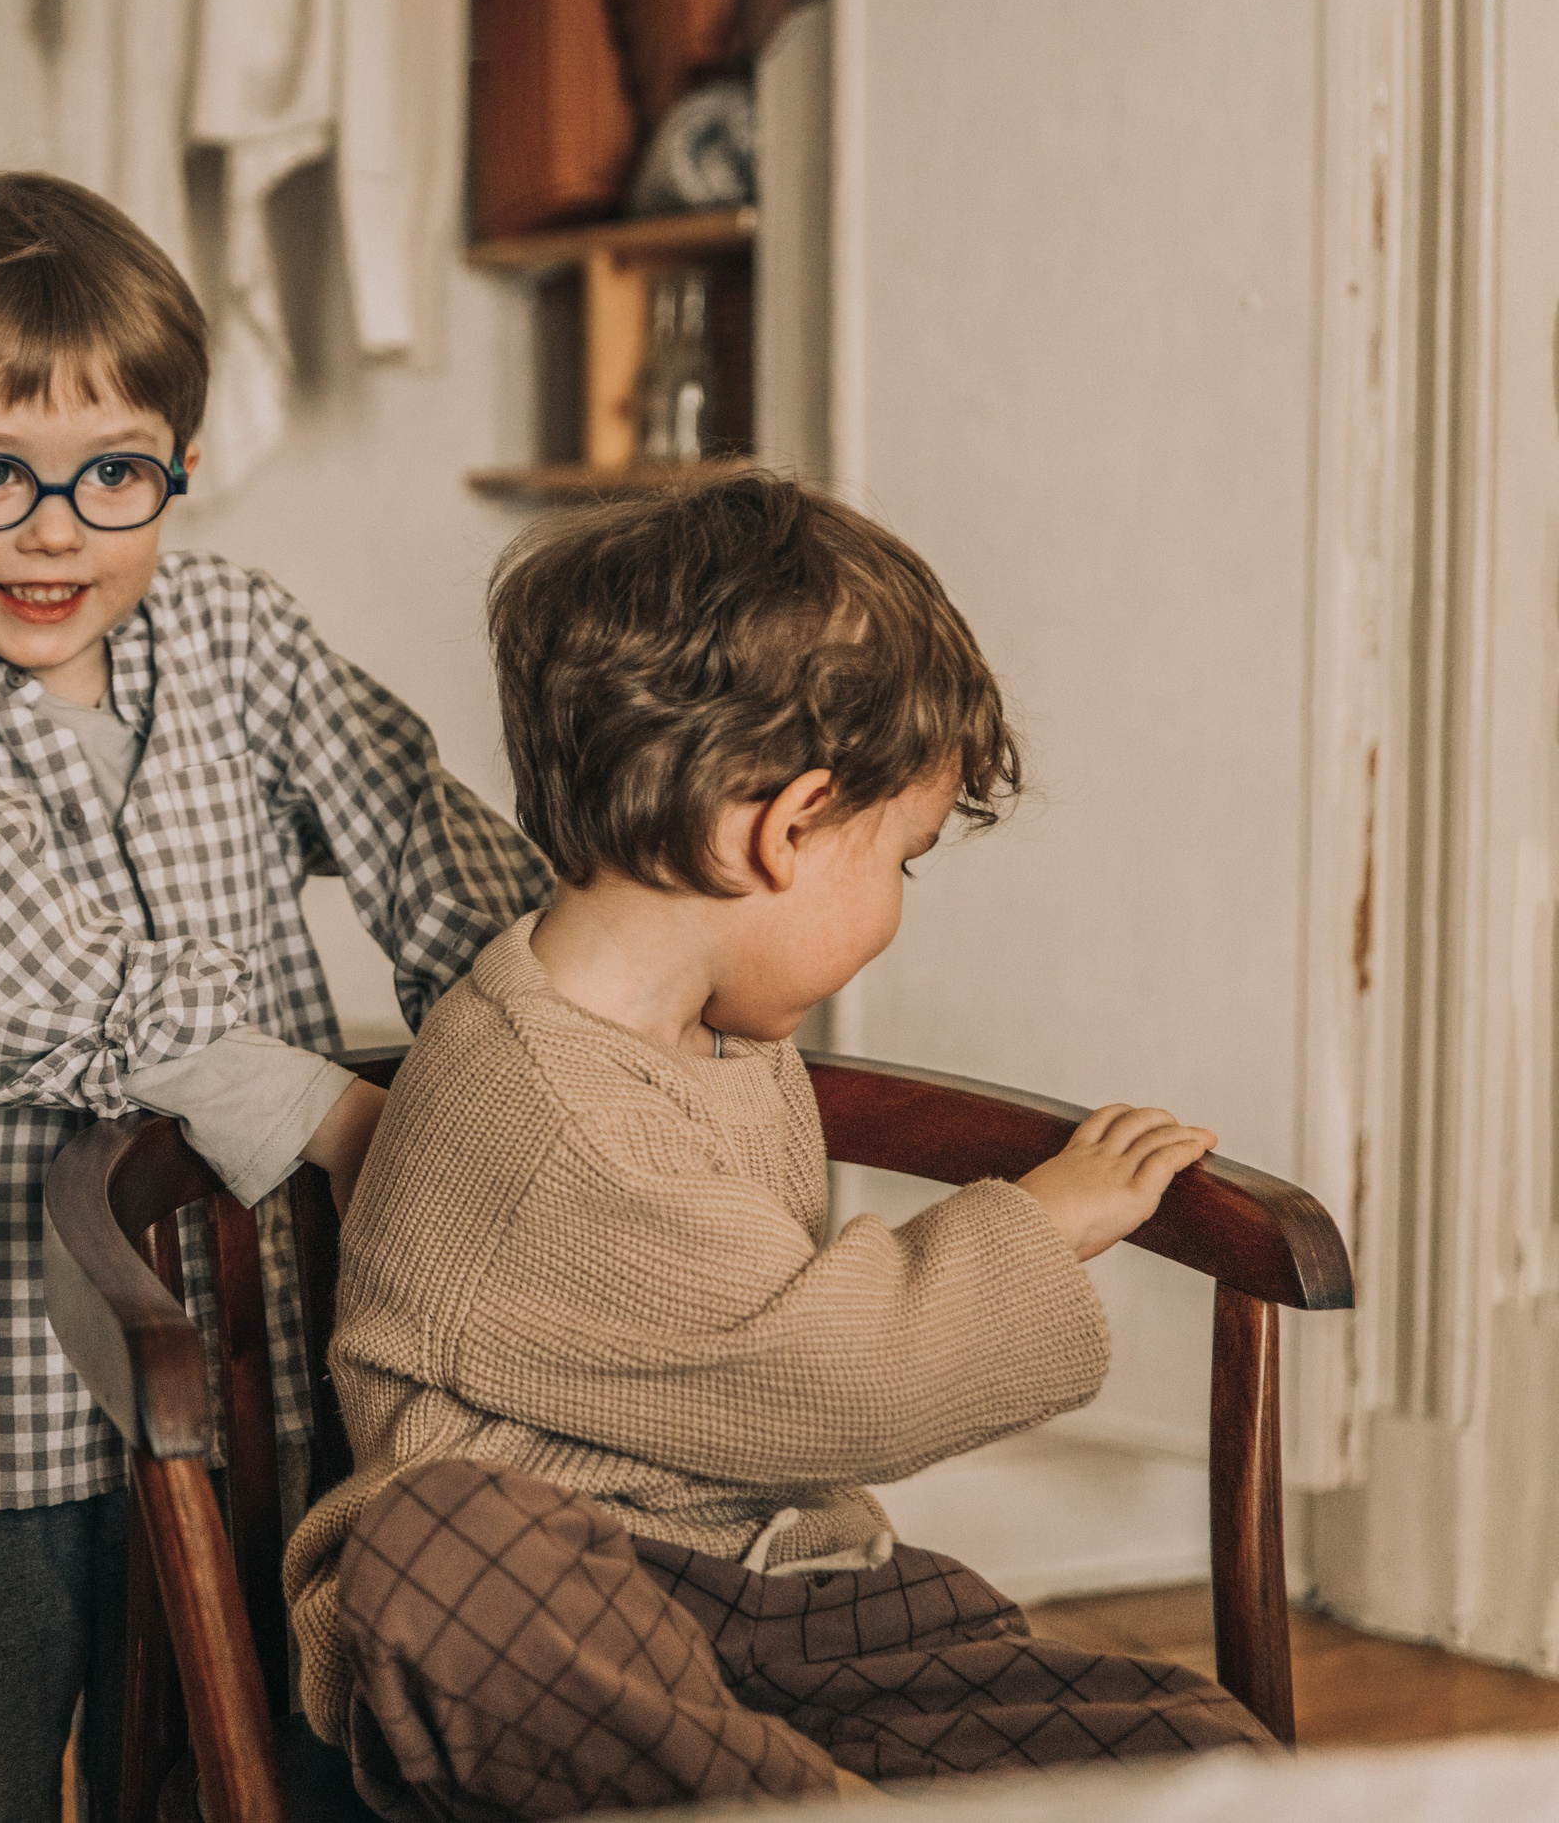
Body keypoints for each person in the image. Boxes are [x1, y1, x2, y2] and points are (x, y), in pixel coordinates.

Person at [282, 474, 1275, 1817]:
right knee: (446, 1551)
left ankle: (787, 1788)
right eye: (902, 858)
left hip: (787, 1601)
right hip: (583, 1613)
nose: (896, 904)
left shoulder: (716, 1038)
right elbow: (838, 1375)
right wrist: (1041, 1221)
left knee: (1194, 1743)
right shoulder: (543, 1113)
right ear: (784, 825)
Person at [0, 171, 550, 1823]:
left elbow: (426, 842)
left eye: (112, 473)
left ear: (177, 473)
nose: (56, 529)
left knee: (246, 1743)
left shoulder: (233, 632)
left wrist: (552, 1026)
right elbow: (15, 976)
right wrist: (329, 1110)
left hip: (246, 1347)